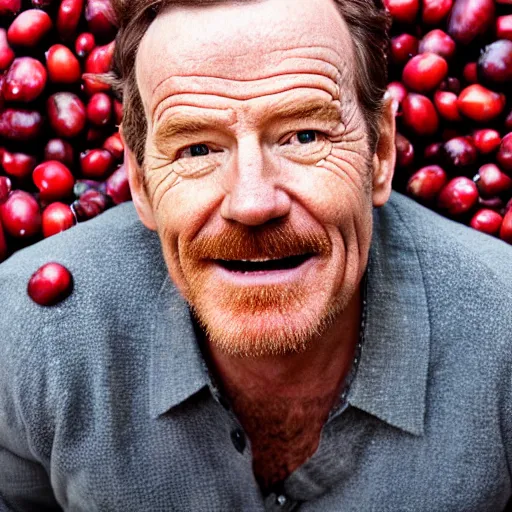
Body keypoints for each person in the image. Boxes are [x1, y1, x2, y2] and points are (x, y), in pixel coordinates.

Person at [1, 0, 511, 510]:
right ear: (140, 182)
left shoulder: (502, 338)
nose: (252, 203)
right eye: (197, 149)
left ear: (380, 153)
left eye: (303, 136)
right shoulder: (29, 339)